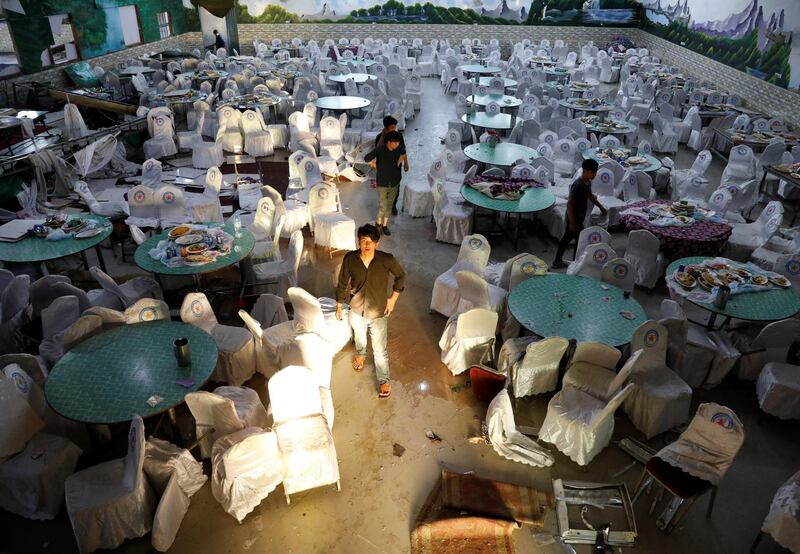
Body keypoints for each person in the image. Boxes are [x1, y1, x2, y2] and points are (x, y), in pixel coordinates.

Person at [336, 224, 406, 398]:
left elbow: (401, 276)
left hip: (378, 311)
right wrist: (339, 305)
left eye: (371, 241)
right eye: (363, 241)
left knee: (380, 349)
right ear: (358, 242)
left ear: (377, 244)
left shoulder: (386, 259)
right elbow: (342, 282)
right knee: (359, 336)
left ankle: (384, 380)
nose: (367, 245)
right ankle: (360, 354)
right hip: (356, 309)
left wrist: (392, 300)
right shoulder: (350, 259)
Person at [551, 158, 607, 269]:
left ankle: (562, 261)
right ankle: (573, 263)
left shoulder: (587, 183)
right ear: (585, 170)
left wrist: (600, 206)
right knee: (577, 239)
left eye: (595, 172)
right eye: (592, 172)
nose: (594, 174)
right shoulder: (578, 185)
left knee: (569, 239)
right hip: (573, 217)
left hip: (579, 217)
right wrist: (572, 223)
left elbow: (590, 196)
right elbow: (569, 204)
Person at [364, 130, 407, 236]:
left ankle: (384, 225)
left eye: (398, 142)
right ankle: (378, 224)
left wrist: (405, 163)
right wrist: (374, 165)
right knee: (383, 205)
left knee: (390, 204)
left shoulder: (399, 149)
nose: (397, 144)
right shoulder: (380, 150)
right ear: (388, 142)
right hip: (382, 182)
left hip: (394, 181)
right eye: (395, 142)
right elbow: (367, 158)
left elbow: (404, 153)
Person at [376, 115, 407, 216]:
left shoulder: (399, 136)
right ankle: (384, 207)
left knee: (396, 188)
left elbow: (403, 150)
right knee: (384, 190)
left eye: (395, 127)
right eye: (392, 128)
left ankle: (393, 206)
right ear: (385, 129)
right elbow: (377, 149)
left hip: (396, 167)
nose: (394, 129)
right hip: (384, 169)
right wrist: (383, 136)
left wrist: (405, 163)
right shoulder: (380, 137)